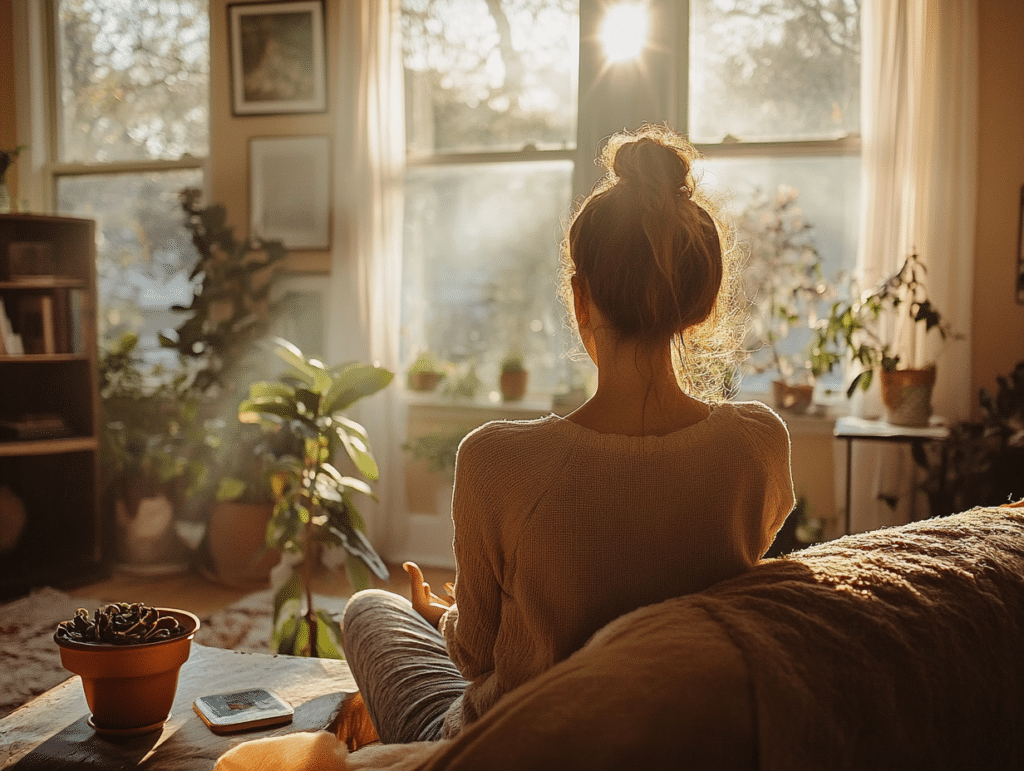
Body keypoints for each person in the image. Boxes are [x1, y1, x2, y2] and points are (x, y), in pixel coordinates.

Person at [341, 123, 795, 746]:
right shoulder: (757, 444)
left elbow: (475, 659)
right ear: (704, 301)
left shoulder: (497, 460)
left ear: (580, 298)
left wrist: (444, 618)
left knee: (372, 609)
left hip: (516, 741)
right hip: (674, 731)